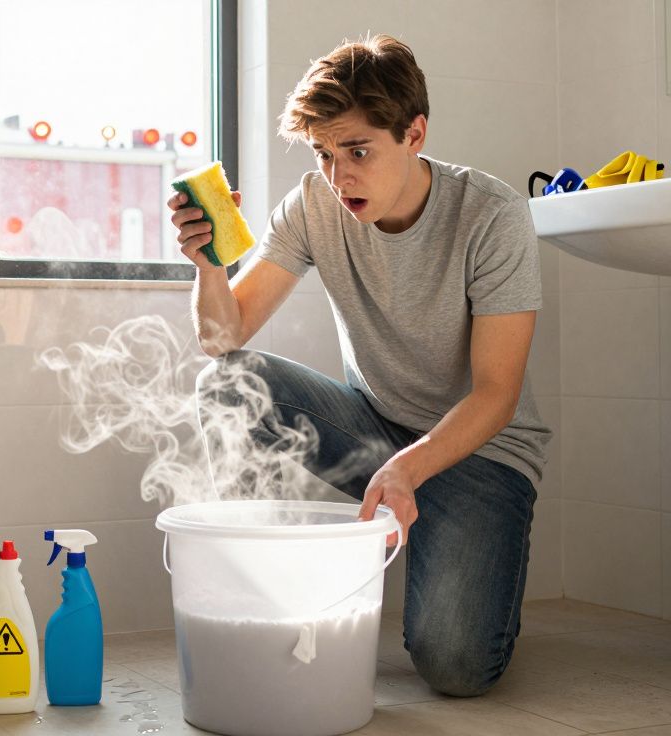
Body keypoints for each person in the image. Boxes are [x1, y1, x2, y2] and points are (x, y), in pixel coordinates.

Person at [168, 35, 551, 697]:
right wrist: (209, 268)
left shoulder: (491, 216)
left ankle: (457, 551)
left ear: (414, 133)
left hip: (482, 454)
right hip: (375, 430)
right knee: (231, 383)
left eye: (357, 151)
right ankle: (259, 586)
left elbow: (497, 395)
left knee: (456, 669)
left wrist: (408, 469)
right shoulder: (314, 206)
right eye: (323, 153)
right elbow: (221, 339)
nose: (338, 176)